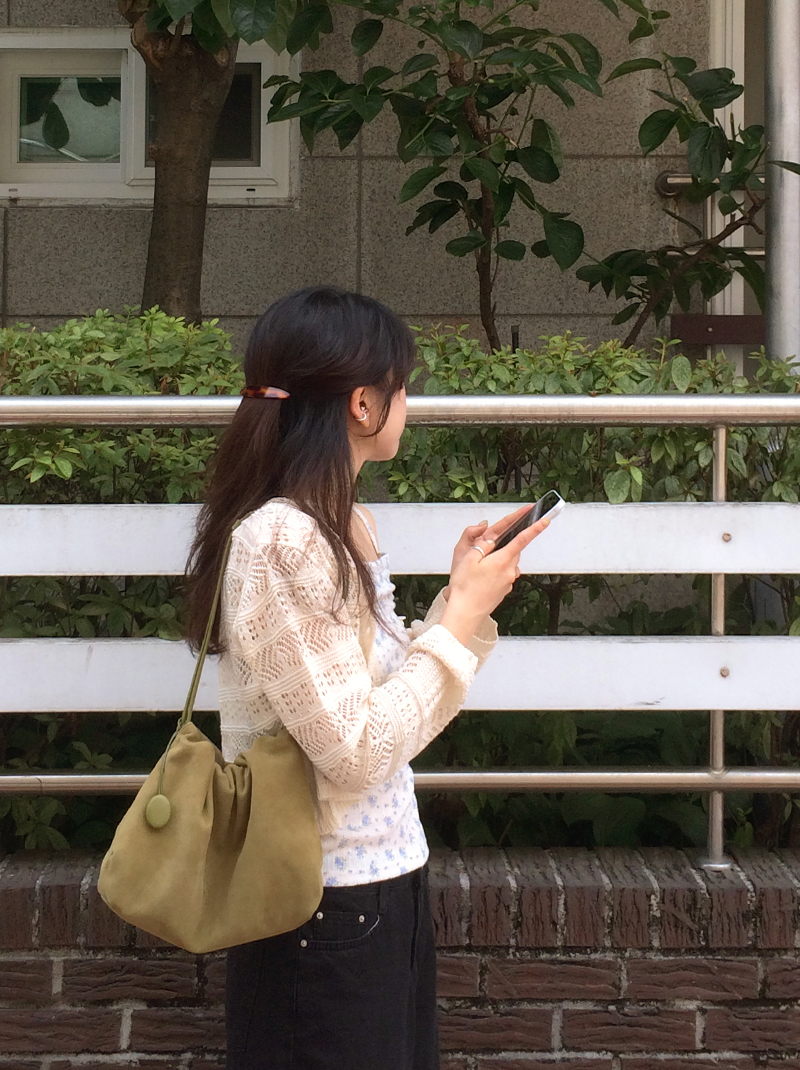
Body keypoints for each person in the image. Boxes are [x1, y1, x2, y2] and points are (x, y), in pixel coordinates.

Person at [185, 286, 551, 1070]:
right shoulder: (283, 539)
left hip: (384, 881)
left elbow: (385, 714)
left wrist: (460, 605)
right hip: (317, 906)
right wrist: (457, 622)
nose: (407, 402)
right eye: (402, 385)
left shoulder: (345, 523)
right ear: (362, 403)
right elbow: (355, 752)